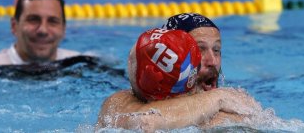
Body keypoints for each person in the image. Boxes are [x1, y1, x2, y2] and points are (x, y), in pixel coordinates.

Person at [97, 13, 262, 131]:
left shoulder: (232, 110)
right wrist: (217, 98)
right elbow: (145, 122)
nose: (212, 61)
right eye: (200, 50)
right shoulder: (119, 103)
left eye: (217, 50)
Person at [0, 0, 80, 65]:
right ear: (14, 26)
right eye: (33, 20)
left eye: (53, 21)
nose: (42, 30)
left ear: (63, 29)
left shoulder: (79, 65)